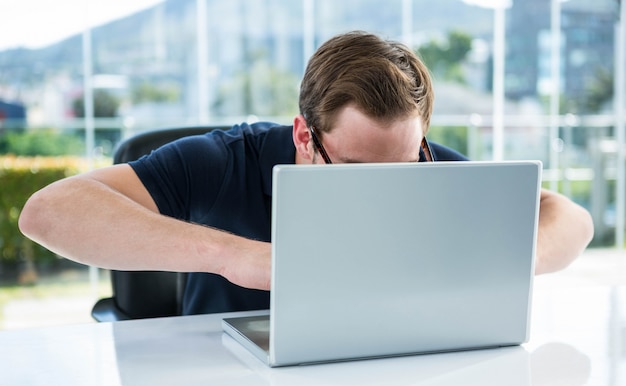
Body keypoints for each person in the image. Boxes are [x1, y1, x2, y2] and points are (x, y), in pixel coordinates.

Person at [18, 31, 594, 315]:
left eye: (404, 165)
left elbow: (568, 218)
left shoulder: (422, 163)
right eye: (356, 169)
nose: (385, 190)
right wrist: (235, 256)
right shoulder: (221, 161)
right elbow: (47, 212)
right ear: (304, 136)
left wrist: (499, 260)